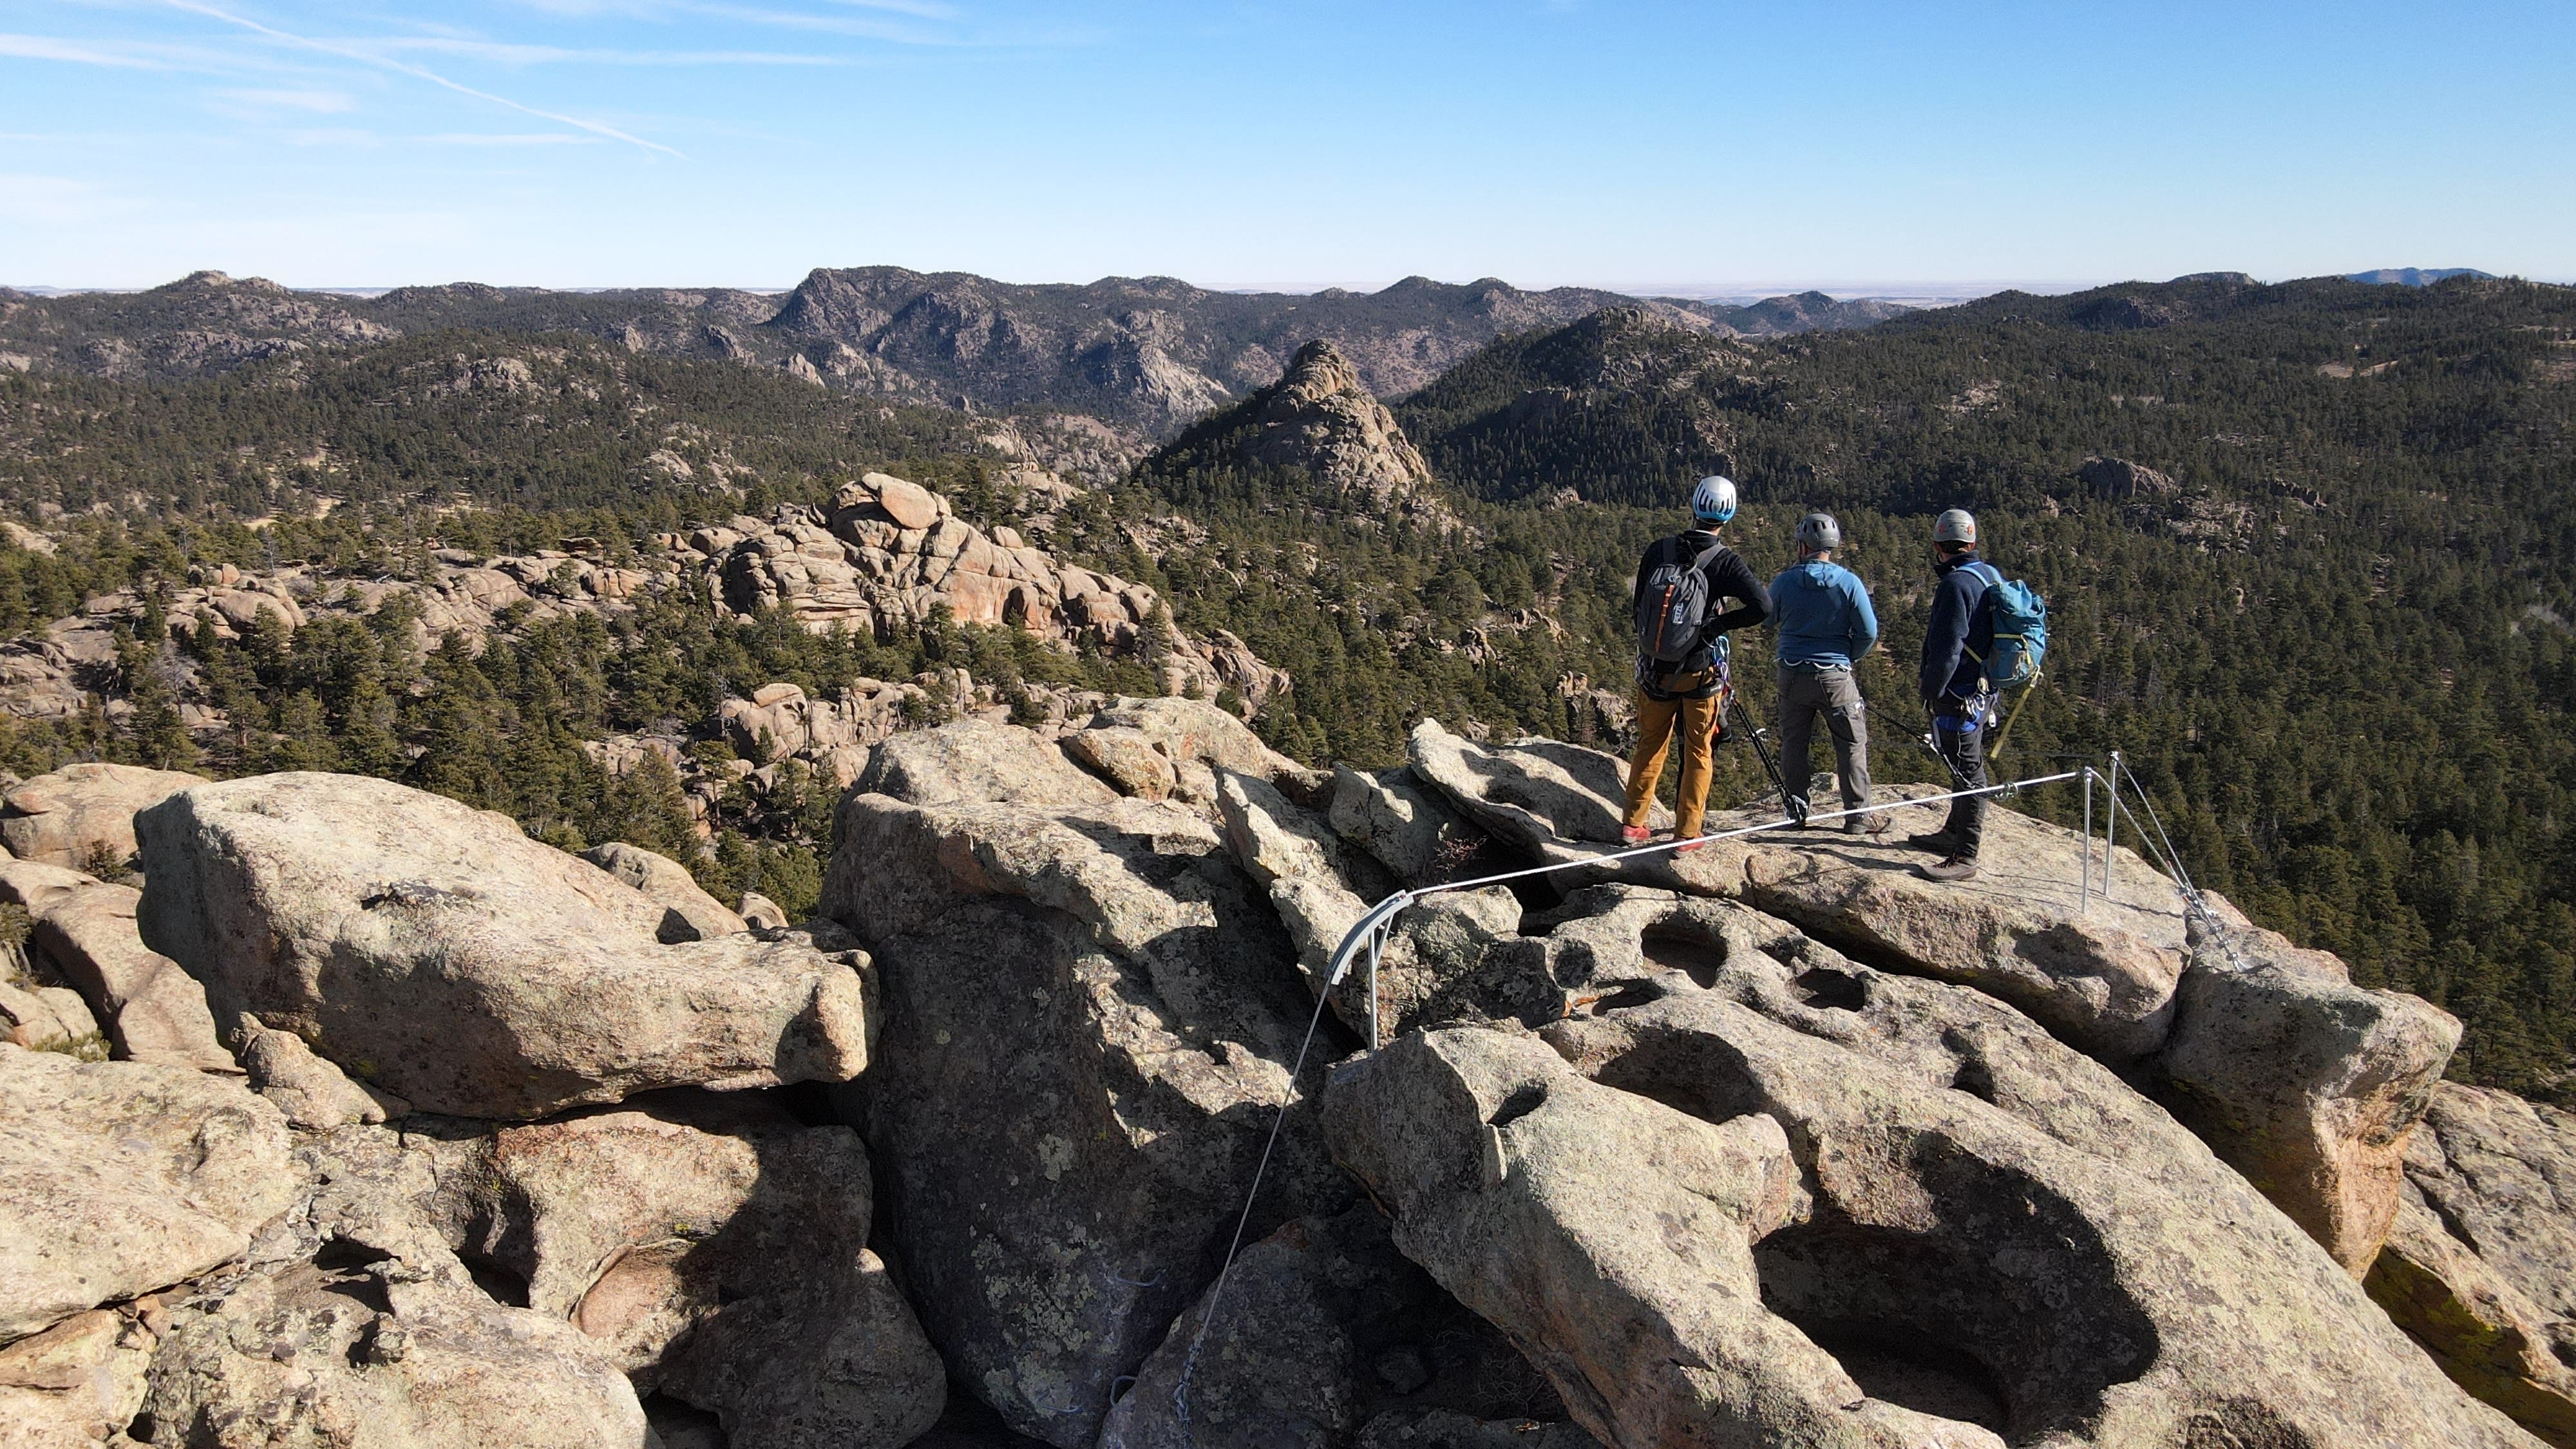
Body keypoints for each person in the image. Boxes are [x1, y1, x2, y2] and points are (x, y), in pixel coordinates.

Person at [1620, 475, 1770, 846]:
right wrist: (1714, 627)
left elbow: (1638, 608)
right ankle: (1687, 831)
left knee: (1651, 743)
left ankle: (1633, 824)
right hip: (1700, 672)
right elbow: (1762, 607)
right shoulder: (1726, 563)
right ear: (1730, 514)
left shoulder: (1659, 551)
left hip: (1655, 669)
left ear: (1693, 505)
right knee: (1698, 748)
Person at [1768, 511, 1886, 834]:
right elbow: (1868, 632)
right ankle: (1858, 817)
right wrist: (1848, 656)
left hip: (1791, 673)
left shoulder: (1784, 582)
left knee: (1794, 743)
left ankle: (1796, 812)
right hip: (1834, 676)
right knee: (1850, 743)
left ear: (1802, 547)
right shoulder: (1849, 583)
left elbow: (1766, 618)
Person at [1913, 507, 1994, 881]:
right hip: (1983, 690)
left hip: (1959, 691)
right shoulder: (1987, 575)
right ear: (1972, 542)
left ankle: (1966, 855)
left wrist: (1930, 691)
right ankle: (1951, 833)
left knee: (1967, 769)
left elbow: (1947, 648)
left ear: (1938, 545)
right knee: (1964, 760)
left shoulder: (1955, 585)